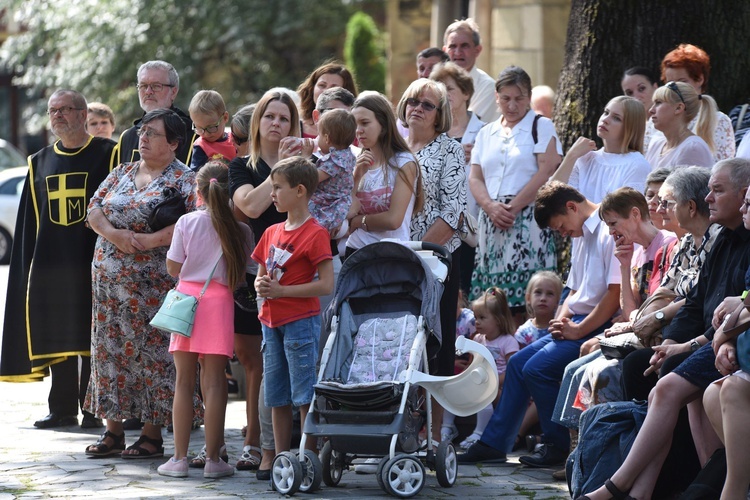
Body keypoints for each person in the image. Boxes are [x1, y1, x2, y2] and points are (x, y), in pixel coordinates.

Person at [580, 158, 750, 500]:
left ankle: (626, 487)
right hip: (710, 341)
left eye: (717, 191)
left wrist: (707, 341)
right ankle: (658, 488)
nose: (709, 199)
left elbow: (730, 310)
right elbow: (693, 302)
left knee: (669, 385)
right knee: (651, 369)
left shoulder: (728, 238)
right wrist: (670, 343)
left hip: (716, 343)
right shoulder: (717, 240)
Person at [459, 181, 620, 467]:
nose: (562, 232)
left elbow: (613, 294)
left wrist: (579, 330)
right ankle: (494, 443)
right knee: (520, 362)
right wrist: (560, 319)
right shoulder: (580, 233)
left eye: (560, 226)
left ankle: (557, 444)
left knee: (537, 369)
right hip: (576, 320)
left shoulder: (607, 231)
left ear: (572, 207)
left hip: (598, 324)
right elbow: (573, 290)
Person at [83, 108, 197, 459]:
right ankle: (112, 430)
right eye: (142, 132)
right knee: (109, 353)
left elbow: (195, 223)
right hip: (107, 288)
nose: (143, 138)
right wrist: (115, 235)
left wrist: (152, 240)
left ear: (174, 143)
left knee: (154, 358)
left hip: (152, 289)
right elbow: (93, 209)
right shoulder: (122, 171)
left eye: (152, 133)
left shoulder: (185, 179)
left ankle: (151, 434)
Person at [0, 90, 115, 431]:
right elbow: (29, 221)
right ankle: (62, 408)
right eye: (54, 110)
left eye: (66, 109)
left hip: (95, 261)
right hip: (53, 265)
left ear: (83, 114)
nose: (59, 116)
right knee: (60, 336)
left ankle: (95, 408)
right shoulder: (39, 160)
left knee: (95, 337)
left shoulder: (108, 154)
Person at [157, 163, 254, 479]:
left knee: (184, 381)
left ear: (197, 191)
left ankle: (179, 459)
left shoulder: (187, 222)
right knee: (215, 383)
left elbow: (173, 268)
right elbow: (244, 273)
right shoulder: (241, 230)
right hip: (220, 304)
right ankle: (214, 459)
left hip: (188, 303)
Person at [229, 89, 300, 479]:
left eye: (284, 118)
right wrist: (285, 166)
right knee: (255, 364)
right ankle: (256, 445)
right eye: (270, 116)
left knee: (292, 361)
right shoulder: (241, 167)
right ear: (257, 122)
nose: (276, 123)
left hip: (299, 276)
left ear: (294, 124)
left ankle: (288, 445)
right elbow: (251, 207)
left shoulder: (306, 163)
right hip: (253, 276)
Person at [251, 157, 334, 458]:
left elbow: (326, 285)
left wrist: (283, 290)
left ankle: (306, 457)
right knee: (276, 394)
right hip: (270, 323)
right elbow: (261, 275)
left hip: (300, 321)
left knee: (303, 393)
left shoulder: (315, 233)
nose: (271, 193)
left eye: (277, 187)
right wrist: (261, 286)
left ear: (300, 190)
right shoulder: (272, 231)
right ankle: (280, 458)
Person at [398, 78, 466, 445]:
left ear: (440, 115)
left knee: (436, 348)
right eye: (411, 101)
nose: (416, 108)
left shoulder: (448, 150)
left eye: (426, 104)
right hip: (393, 263)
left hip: (434, 263)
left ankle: (437, 435)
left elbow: (453, 211)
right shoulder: (395, 149)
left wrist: (419, 253)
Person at [469, 65, 562, 309]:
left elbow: (546, 170)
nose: (512, 105)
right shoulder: (486, 132)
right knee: (492, 302)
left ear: (528, 98)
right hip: (492, 219)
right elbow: (475, 177)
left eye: (519, 99)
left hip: (527, 217)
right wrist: (490, 207)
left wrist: (512, 207)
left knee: (530, 297)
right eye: (506, 98)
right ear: (496, 97)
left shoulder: (541, 126)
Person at [429, 62, 485, 294]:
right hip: (439, 224)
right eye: (439, 88)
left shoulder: (484, 131)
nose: (444, 93)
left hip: (473, 223)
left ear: (466, 93)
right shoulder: (431, 134)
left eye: (449, 88)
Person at [345, 92, 423, 255]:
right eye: (354, 124)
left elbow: (393, 220)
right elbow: (347, 213)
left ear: (384, 125)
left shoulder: (404, 162)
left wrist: (360, 221)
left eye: (365, 123)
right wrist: (356, 176)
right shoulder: (356, 161)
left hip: (390, 255)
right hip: (355, 251)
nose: (358, 130)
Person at [444, 287, 519, 450]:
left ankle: (479, 433)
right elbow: (473, 363)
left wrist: (492, 380)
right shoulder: (478, 339)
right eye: (476, 317)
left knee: (484, 395)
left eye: (482, 318)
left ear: (498, 320)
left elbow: (513, 372)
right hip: (479, 379)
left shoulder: (508, 342)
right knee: (452, 390)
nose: (476, 322)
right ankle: (446, 427)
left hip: (499, 387)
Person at [552, 96, 650, 204]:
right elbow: (552, 197)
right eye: (606, 112)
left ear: (630, 128)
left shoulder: (636, 164)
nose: (605, 120)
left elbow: (625, 212)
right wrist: (571, 156)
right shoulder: (585, 158)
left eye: (616, 118)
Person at [661, 43, 735, 162]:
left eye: (682, 82)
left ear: (700, 79)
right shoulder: (657, 118)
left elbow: (721, 167)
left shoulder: (718, 121)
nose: (675, 89)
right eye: (670, 83)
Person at [117, 60, 196, 165]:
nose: (148, 91)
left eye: (156, 86)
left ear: (173, 92)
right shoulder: (127, 138)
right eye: (143, 86)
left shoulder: (193, 136)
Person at [645, 81, 714, 170]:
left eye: (658, 102)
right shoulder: (656, 144)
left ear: (679, 108)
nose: (651, 110)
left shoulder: (692, 148)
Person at [308, 108, 356, 236]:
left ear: (327, 138)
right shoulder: (347, 155)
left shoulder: (333, 161)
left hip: (329, 205)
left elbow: (311, 178)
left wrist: (304, 157)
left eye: (319, 135)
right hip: (341, 203)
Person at [442, 18, 500, 122]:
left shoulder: (487, 87)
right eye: (453, 46)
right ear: (445, 51)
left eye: (464, 46)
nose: (458, 52)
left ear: (477, 50)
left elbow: (468, 127)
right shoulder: (437, 83)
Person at [296, 61, 358, 139]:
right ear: (312, 88)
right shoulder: (294, 127)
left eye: (333, 88)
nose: (326, 91)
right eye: (322, 85)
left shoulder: (357, 132)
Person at [188, 90, 236, 170]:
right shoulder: (201, 146)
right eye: (199, 129)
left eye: (211, 127)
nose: (206, 134)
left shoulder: (235, 140)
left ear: (225, 117)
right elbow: (196, 175)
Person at [621, 67, 660, 154]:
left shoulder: (668, 120)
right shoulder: (626, 127)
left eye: (641, 89)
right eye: (629, 93)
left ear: (655, 87)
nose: (636, 97)